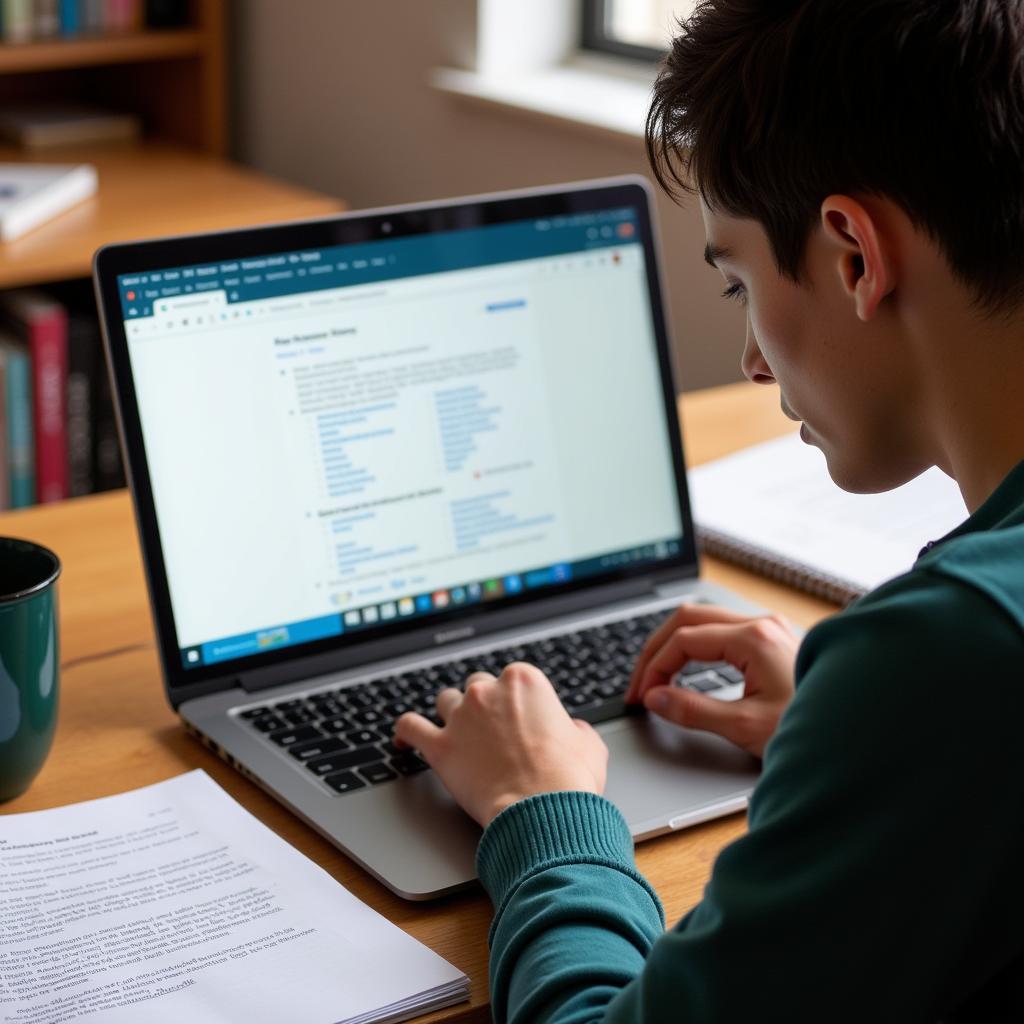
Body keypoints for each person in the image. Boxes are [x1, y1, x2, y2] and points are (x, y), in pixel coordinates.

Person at [394, 1, 1024, 1019]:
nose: (750, 360)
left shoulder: (949, 660)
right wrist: (858, 755)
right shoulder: (942, 674)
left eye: (735, 283)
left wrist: (542, 809)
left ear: (853, 253)